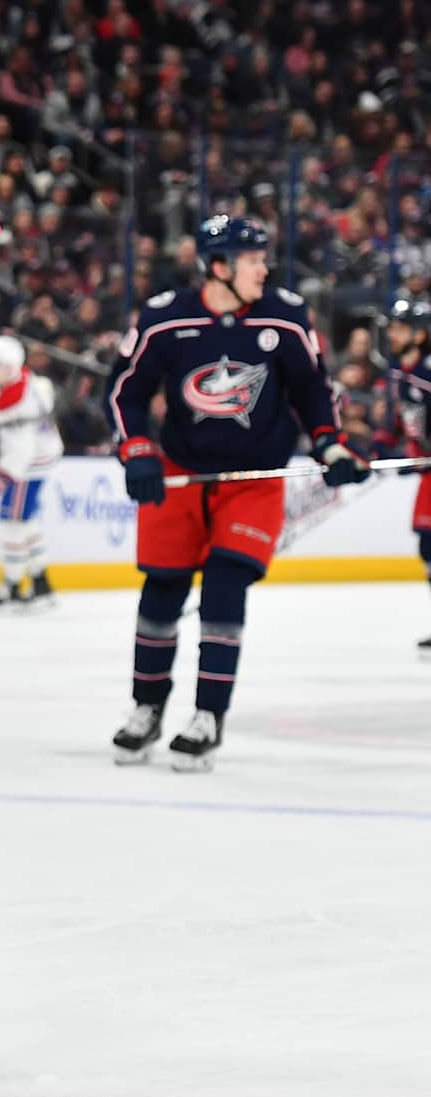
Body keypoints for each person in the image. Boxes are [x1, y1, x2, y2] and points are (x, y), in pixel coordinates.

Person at [108, 216, 369, 770]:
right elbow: (125, 391)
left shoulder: (286, 314)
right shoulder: (163, 317)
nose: (264, 269)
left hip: (253, 481)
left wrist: (332, 446)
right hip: (181, 474)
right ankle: (146, 707)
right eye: (253, 260)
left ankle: (208, 716)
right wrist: (136, 450)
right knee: (161, 592)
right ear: (220, 267)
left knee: (226, 586)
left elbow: (313, 390)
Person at [0, 334, 62, 612]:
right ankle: (40, 583)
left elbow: (18, 454)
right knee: (26, 522)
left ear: (10, 367)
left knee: (12, 521)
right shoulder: (27, 381)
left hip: (29, 465)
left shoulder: (12, 399)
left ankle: (12, 585)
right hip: (42, 457)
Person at [380, 299, 431, 657]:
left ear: (420, 334)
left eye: (399, 327)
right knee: (428, 546)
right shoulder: (399, 371)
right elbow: (401, 419)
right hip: (427, 472)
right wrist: (385, 445)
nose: (392, 334)